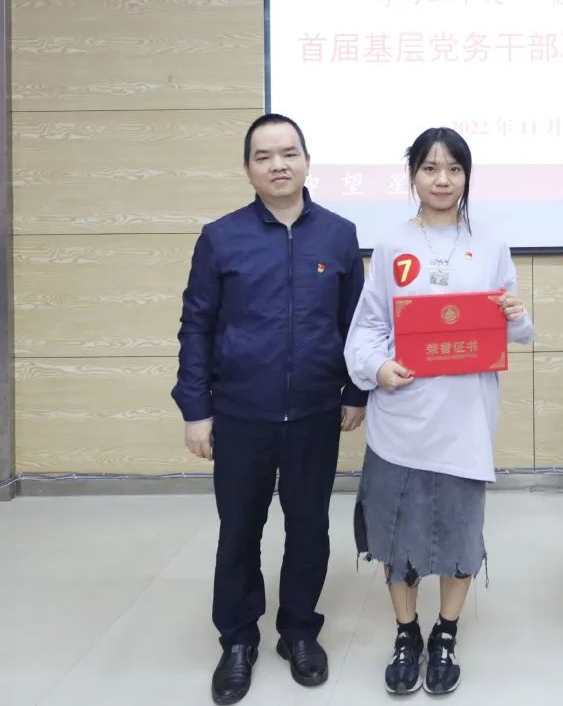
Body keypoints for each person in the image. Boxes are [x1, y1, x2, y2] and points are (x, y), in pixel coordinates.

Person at [171, 113, 367, 705]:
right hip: (240, 414)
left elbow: (357, 323)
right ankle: (237, 640)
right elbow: (196, 326)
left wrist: (355, 392)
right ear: (248, 168)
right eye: (264, 156)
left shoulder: (338, 235)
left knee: (309, 527)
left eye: (288, 153)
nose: (278, 165)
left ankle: (299, 631)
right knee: (239, 530)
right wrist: (196, 409)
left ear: (307, 160)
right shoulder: (220, 237)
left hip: (314, 412)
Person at [344, 127, 534, 696]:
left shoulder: (491, 245)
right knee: (394, 532)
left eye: (453, 168)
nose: (442, 179)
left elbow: (514, 330)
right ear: (412, 177)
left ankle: (446, 631)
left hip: (464, 419)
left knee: (459, 533)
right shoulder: (392, 245)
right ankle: (407, 632)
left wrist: (516, 315)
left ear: (467, 176)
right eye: (430, 168)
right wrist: (378, 368)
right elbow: (367, 329)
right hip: (401, 416)